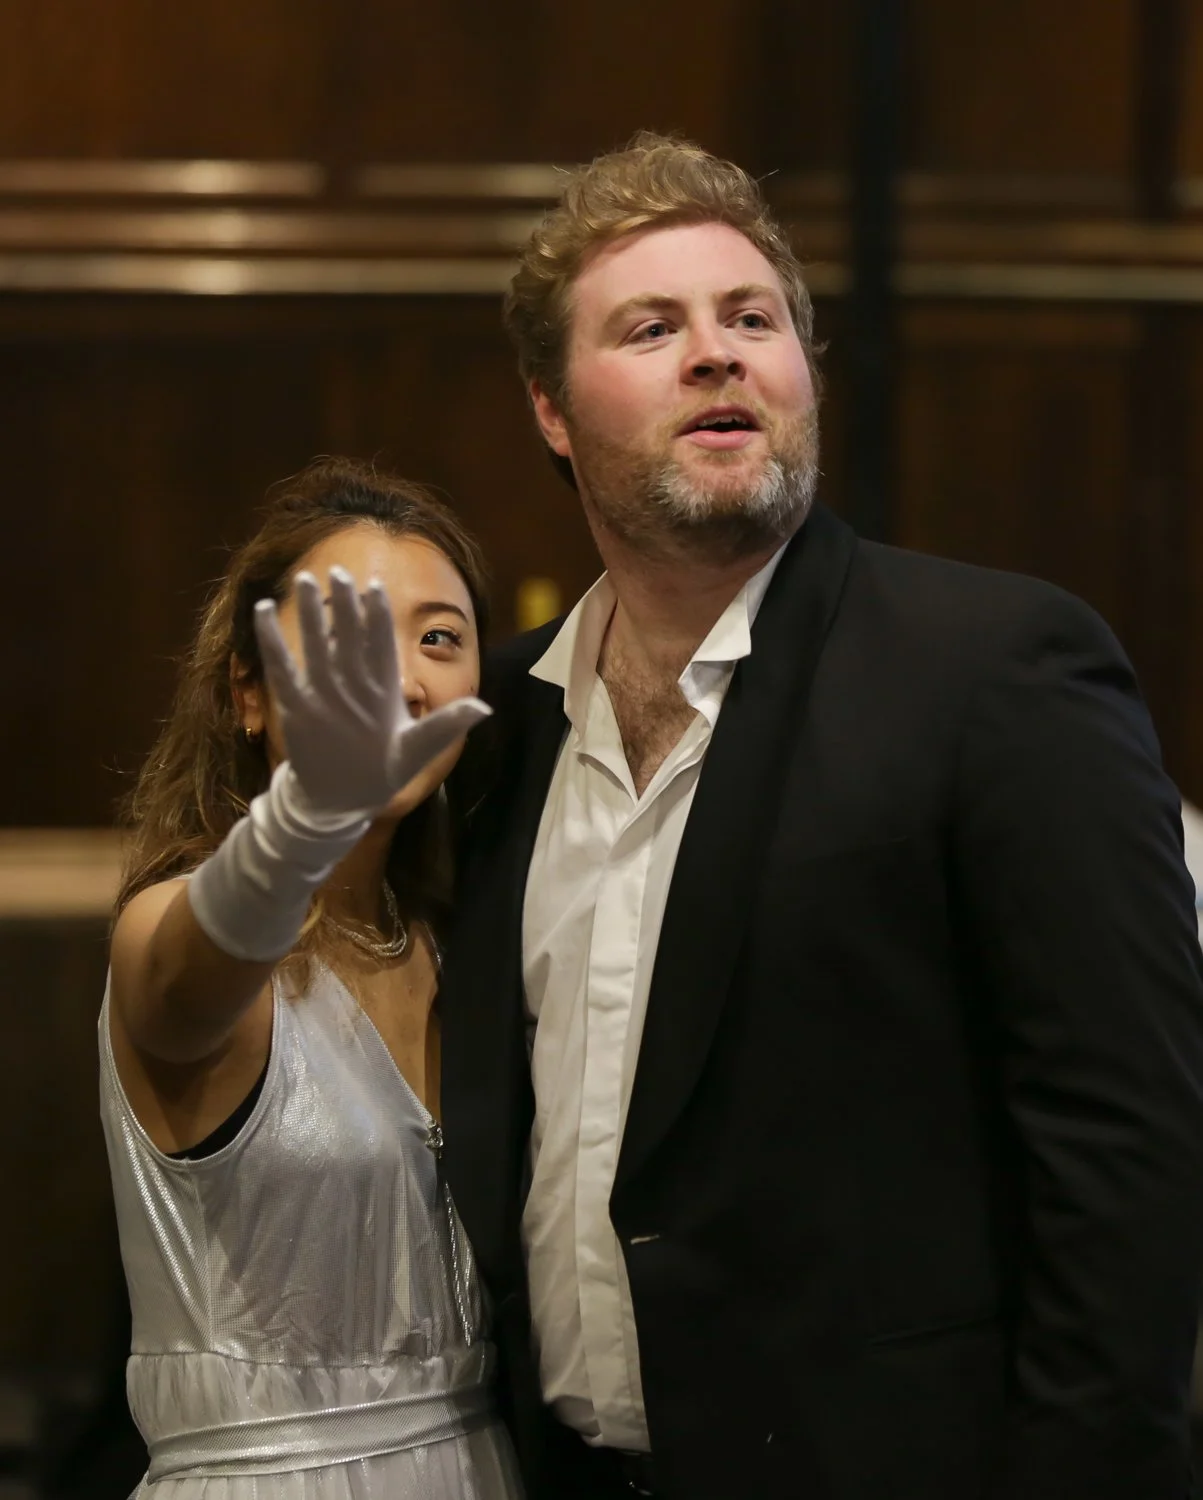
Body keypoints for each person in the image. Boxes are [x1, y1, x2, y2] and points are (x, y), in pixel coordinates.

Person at [436, 133, 1203, 1499]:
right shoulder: (499, 720)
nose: (719, 353)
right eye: (651, 326)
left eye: (753, 319)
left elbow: (1128, 1153)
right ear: (550, 409)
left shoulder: (992, 668)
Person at [101, 459, 522, 1498]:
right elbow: (194, 971)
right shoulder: (176, 922)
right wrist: (304, 823)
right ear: (250, 690)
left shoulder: (458, 940)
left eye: (439, 637)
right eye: (351, 639)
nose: (403, 675)